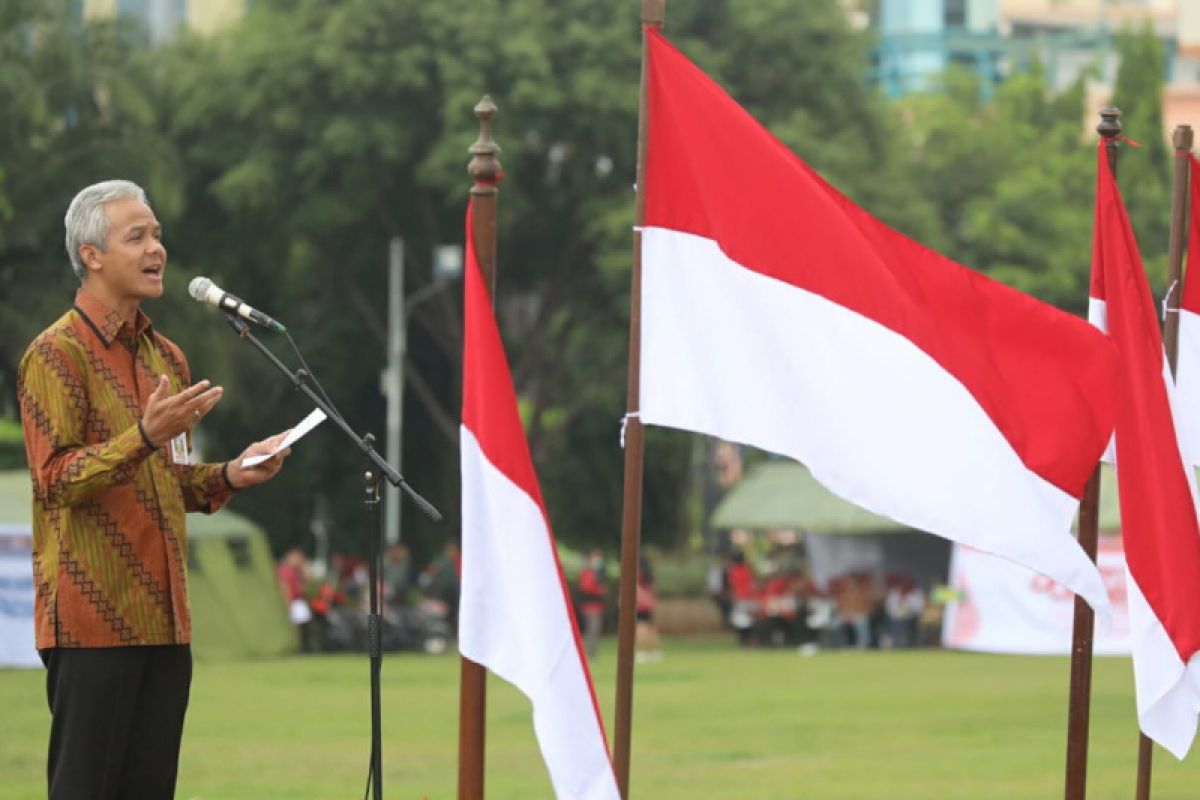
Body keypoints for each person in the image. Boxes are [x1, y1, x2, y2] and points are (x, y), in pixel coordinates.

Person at [17, 180, 292, 800]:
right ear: (91, 255)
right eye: (136, 236)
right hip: (92, 622)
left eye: (158, 235)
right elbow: (55, 480)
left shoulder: (166, 358)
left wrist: (229, 474)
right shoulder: (55, 355)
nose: (156, 249)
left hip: (167, 623)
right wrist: (143, 434)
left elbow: (168, 481)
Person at [276, 547, 314, 652]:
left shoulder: (298, 570)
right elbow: (284, 587)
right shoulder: (285, 570)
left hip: (299, 600)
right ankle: (296, 647)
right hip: (292, 601)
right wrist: (287, 603)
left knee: (304, 625)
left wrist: (304, 567)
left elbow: (309, 579)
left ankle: (304, 646)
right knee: (295, 626)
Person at [577, 549, 608, 658]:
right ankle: (587, 653)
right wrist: (598, 589)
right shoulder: (587, 573)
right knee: (592, 629)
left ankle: (591, 653)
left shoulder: (597, 573)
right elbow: (587, 588)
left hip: (596, 606)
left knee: (594, 629)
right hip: (589, 606)